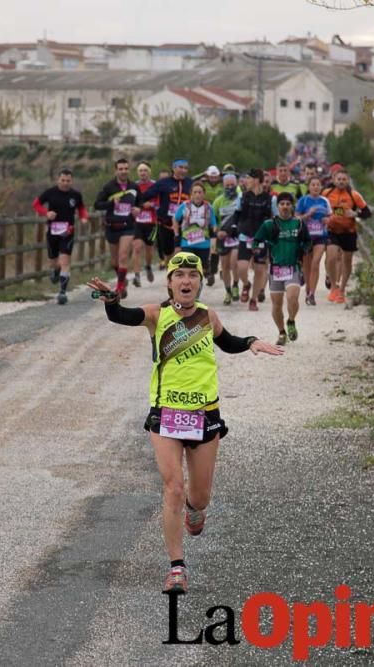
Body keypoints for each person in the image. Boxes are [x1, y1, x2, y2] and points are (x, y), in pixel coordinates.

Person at [85, 252, 283, 593]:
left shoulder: (209, 316)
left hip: (205, 414)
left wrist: (251, 343)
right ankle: (177, 567)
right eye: (180, 276)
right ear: (170, 282)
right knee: (173, 487)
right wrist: (111, 299)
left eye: (193, 275)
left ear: (200, 283)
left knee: (200, 495)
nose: (186, 281)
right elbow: (121, 315)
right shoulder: (155, 315)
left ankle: (196, 509)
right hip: (166, 413)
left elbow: (229, 342)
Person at [255, 193, 312, 345]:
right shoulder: (269, 225)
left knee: (292, 298)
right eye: (282, 204)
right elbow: (256, 241)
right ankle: (281, 333)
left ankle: (291, 321)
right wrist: (261, 249)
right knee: (277, 304)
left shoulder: (298, 224)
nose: (285, 207)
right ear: (278, 206)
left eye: (288, 204)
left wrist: (304, 249)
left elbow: (308, 241)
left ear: (292, 206)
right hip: (275, 270)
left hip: (293, 267)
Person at [33, 169, 89, 305]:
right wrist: (46, 213)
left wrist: (84, 218)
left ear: (71, 181)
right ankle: (55, 270)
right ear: (58, 180)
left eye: (68, 181)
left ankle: (62, 292)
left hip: (67, 232)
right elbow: (36, 204)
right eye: (63, 180)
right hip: (52, 232)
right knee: (53, 261)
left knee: (65, 261)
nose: (65, 183)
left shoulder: (75, 195)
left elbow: (81, 208)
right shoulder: (50, 192)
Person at [322, 170, 372, 304]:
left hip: (349, 231)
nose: (341, 181)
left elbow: (367, 213)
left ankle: (342, 290)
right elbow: (320, 208)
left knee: (347, 261)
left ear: (348, 181)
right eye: (339, 179)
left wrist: (355, 214)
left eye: (344, 179)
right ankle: (333, 287)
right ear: (334, 180)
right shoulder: (326, 193)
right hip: (332, 230)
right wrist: (323, 218)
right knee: (331, 257)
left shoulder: (354, 195)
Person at [135, 158, 192, 267]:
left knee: (180, 253)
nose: (183, 170)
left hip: (183, 226)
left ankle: (178, 277)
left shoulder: (190, 183)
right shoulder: (163, 183)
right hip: (165, 224)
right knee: (168, 254)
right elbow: (145, 195)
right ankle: (170, 274)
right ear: (174, 168)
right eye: (180, 167)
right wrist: (137, 204)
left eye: (185, 168)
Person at [94, 157, 138, 298]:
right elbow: (97, 205)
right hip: (112, 226)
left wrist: (138, 208)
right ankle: (122, 279)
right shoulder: (109, 187)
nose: (124, 171)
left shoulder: (134, 187)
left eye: (126, 168)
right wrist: (111, 203)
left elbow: (141, 201)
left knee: (123, 256)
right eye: (121, 169)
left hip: (128, 226)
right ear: (116, 170)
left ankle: (119, 289)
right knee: (114, 261)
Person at [234, 168, 272, 311]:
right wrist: (233, 227)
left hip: (261, 239)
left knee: (260, 270)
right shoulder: (242, 196)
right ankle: (246, 284)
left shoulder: (270, 199)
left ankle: (254, 299)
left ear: (256, 180)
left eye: (248, 178)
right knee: (242, 267)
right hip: (245, 236)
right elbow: (237, 214)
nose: (246, 181)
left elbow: (273, 218)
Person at [295, 176, 332, 306]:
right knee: (307, 267)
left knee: (316, 263)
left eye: (318, 185)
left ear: (321, 187)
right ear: (309, 187)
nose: (316, 187)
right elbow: (296, 218)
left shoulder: (325, 201)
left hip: (320, 236)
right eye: (313, 185)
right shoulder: (303, 201)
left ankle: (312, 294)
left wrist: (327, 220)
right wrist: (307, 215)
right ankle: (307, 291)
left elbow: (330, 216)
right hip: (305, 237)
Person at [212, 173, 242, 305]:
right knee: (224, 266)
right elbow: (213, 221)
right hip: (223, 237)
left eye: (232, 185)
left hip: (237, 236)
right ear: (223, 186)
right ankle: (228, 291)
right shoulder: (218, 201)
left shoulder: (241, 199)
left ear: (236, 185)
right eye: (227, 185)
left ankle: (236, 285)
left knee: (234, 262)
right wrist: (217, 232)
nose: (230, 187)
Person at [172, 182, 216, 270]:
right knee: (189, 268)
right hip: (187, 243)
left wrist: (213, 240)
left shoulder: (209, 207)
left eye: (200, 192)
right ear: (191, 193)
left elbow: (214, 224)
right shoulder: (184, 206)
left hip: (204, 244)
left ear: (204, 194)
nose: (197, 195)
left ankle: (201, 281)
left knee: (202, 269)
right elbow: (175, 219)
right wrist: (176, 234)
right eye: (195, 192)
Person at [131, 161, 158, 286]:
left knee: (149, 249)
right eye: (140, 170)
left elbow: (161, 203)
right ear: (137, 173)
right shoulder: (133, 186)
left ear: (149, 172)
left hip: (151, 222)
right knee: (136, 247)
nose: (143, 173)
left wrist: (151, 205)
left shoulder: (155, 185)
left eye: (145, 170)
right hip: (137, 222)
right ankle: (136, 276)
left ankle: (148, 266)